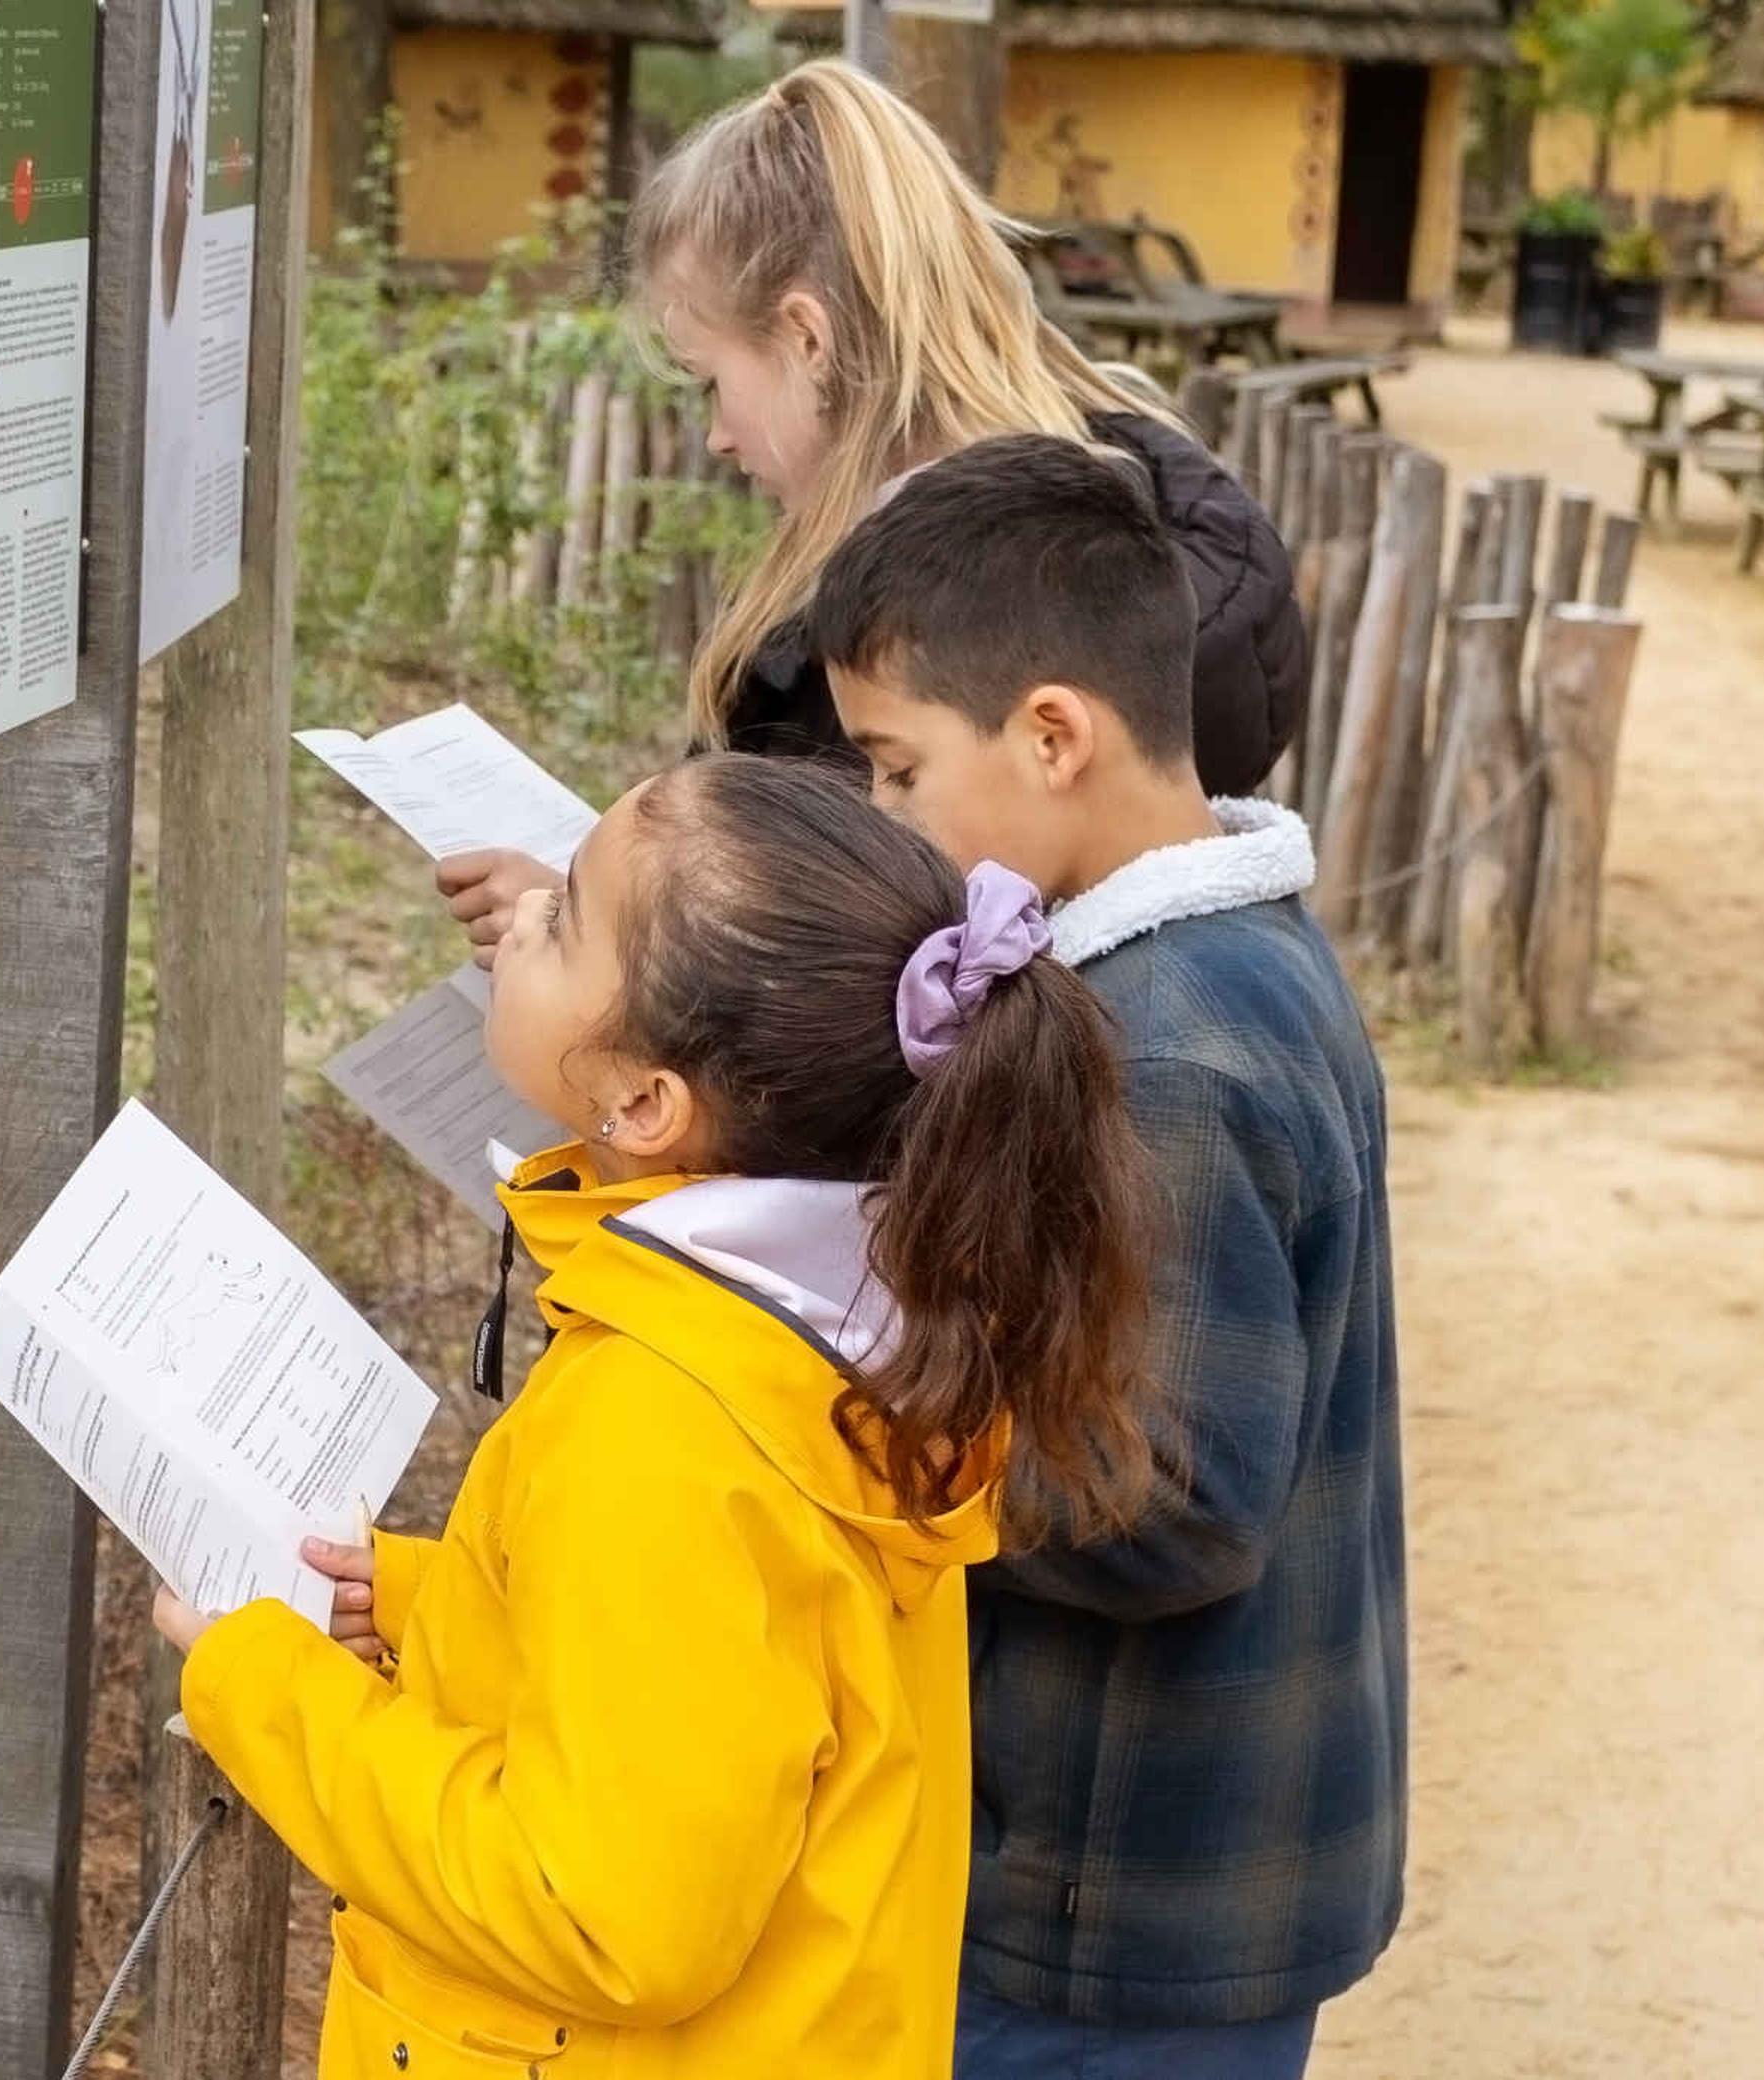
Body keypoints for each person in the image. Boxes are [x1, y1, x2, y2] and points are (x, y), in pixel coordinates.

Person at [154, 754, 1160, 2078]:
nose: (519, 919)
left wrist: (265, 1683)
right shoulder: (854, 1320)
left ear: (643, 1103)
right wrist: (418, 1599)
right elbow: (733, 1680)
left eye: (565, 916)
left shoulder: (662, 1417)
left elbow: (602, 1916)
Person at [804, 430, 1405, 2080]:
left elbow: (1168, 1501)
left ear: (1053, 733)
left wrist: (857, 1452)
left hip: (1116, 1896)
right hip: (1170, 1860)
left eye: (899, 769)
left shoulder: (1160, 1060)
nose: (885, 815)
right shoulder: (1229, 955)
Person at [434, 59, 1301, 957]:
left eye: (710, 382)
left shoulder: (921, 660)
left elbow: (831, 1016)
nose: (716, 438)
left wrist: (599, 942)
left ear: (807, 339)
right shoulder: (1156, 563)